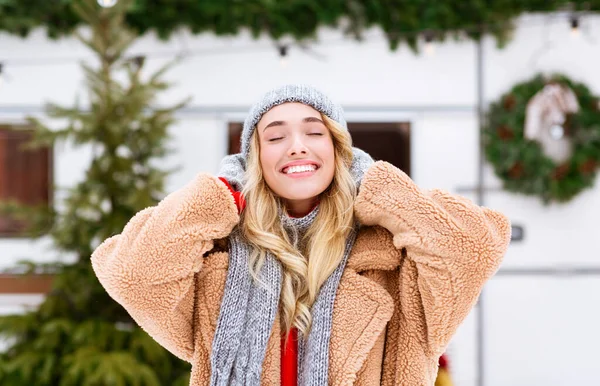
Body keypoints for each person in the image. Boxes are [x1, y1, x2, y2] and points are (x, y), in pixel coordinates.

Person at [91, 84, 511, 386]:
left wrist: (379, 188)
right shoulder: (215, 263)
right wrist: (219, 195)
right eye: (275, 136)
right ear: (253, 160)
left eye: (315, 132)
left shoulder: (392, 262)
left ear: (339, 152)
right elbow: (132, 274)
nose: (296, 146)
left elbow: (472, 249)